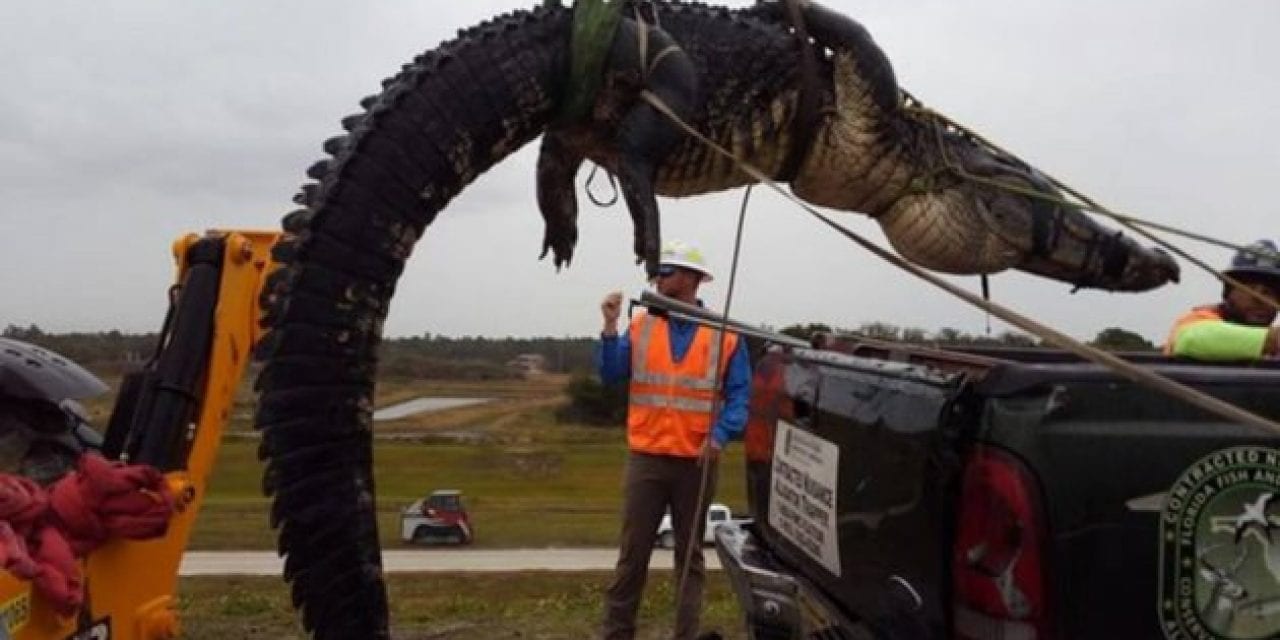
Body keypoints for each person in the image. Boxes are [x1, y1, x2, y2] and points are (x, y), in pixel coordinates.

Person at [598, 240, 752, 640]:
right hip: (646, 458)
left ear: (691, 279)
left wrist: (719, 437)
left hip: (698, 462)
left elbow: (739, 397)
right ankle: (617, 634)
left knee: (689, 561)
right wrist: (610, 326)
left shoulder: (726, 335)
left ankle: (685, 635)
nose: (657, 278)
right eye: (658, 271)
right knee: (632, 556)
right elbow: (612, 374)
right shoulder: (640, 325)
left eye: (666, 271)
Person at [1164, 239, 1280, 360]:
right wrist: (1272, 339)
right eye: (1249, 288)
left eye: (1268, 292)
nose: (1258, 297)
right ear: (1228, 292)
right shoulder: (1198, 320)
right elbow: (1189, 339)